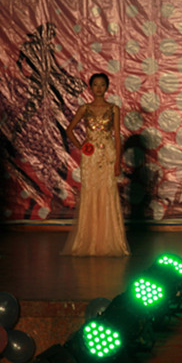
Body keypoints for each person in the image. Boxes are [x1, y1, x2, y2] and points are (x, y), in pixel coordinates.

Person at [61, 73, 130, 257]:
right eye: (95, 84)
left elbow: (117, 137)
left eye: (102, 84)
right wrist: (81, 146)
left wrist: (118, 161)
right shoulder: (85, 108)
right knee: (90, 192)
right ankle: (89, 240)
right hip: (90, 156)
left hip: (108, 154)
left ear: (107, 87)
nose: (99, 88)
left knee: (107, 192)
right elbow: (69, 130)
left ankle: (108, 240)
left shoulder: (113, 109)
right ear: (90, 87)